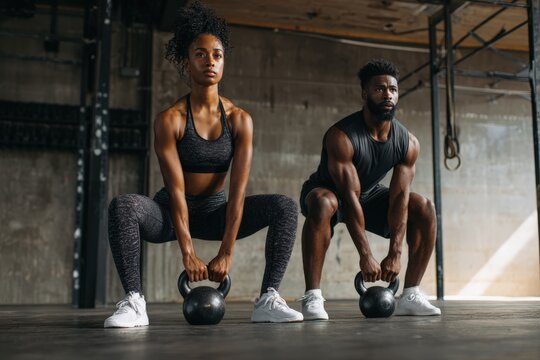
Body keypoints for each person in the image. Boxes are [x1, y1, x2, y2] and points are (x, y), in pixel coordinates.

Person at [104, 1, 303, 327]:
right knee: (124, 206)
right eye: (200, 54)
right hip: (169, 213)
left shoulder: (240, 120)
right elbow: (177, 191)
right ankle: (135, 302)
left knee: (284, 206)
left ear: (223, 62)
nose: (210, 60)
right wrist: (188, 252)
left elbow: (238, 193)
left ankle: (268, 298)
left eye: (217, 54)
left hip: (215, 213)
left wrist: (226, 251)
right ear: (186, 61)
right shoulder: (170, 120)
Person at [297, 59, 441, 320]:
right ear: (365, 94)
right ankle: (313, 296)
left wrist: (394, 254)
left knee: (424, 207)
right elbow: (349, 199)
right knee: (324, 202)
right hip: (329, 191)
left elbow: (399, 197)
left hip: (369, 192)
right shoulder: (341, 136)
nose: (388, 94)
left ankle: (411, 293)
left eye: (393, 89)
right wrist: (366, 255)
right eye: (379, 89)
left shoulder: (407, 142)